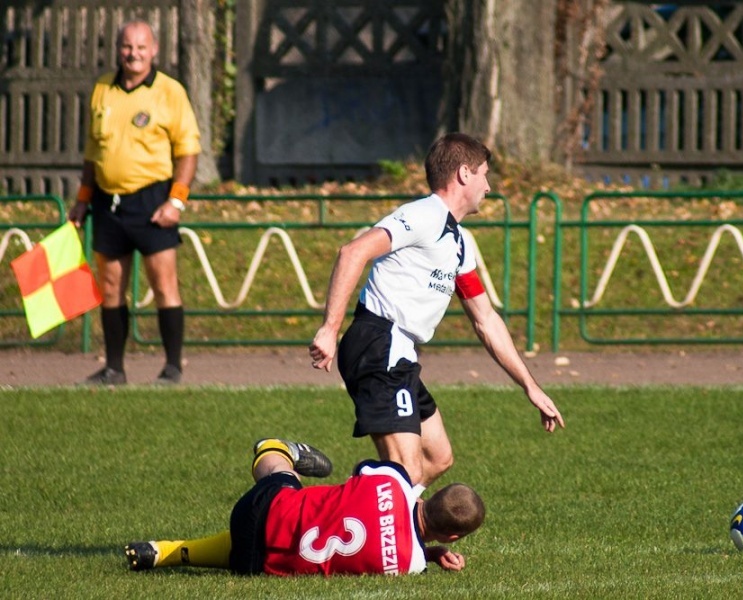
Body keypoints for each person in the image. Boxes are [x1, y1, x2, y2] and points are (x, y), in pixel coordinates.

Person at [308, 133, 565, 491]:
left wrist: (530, 387)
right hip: (379, 343)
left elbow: (485, 319)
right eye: (485, 174)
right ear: (463, 173)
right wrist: (329, 329)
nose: (489, 187)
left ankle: (370, 509)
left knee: (437, 459)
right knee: (405, 472)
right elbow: (353, 252)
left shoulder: (460, 242)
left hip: (400, 352)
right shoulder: (424, 215)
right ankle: (356, 524)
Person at [124, 438, 485, 576]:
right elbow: (402, 546)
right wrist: (434, 553)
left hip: (257, 511)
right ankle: (167, 552)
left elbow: (362, 469)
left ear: (429, 496)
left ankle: (277, 450)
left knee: (283, 477)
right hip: (260, 565)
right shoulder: (412, 564)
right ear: (452, 535)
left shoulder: (392, 480)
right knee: (266, 542)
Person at [68, 19, 201, 385]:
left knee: (164, 282)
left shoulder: (169, 91)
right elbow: (93, 152)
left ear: (154, 49)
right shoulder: (102, 89)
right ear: (118, 49)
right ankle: (114, 368)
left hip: (152, 198)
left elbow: (188, 151)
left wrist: (177, 201)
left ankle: (172, 366)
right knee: (111, 286)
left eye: (141, 47)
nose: (134, 54)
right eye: (128, 47)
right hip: (107, 202)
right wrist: (82, 199)